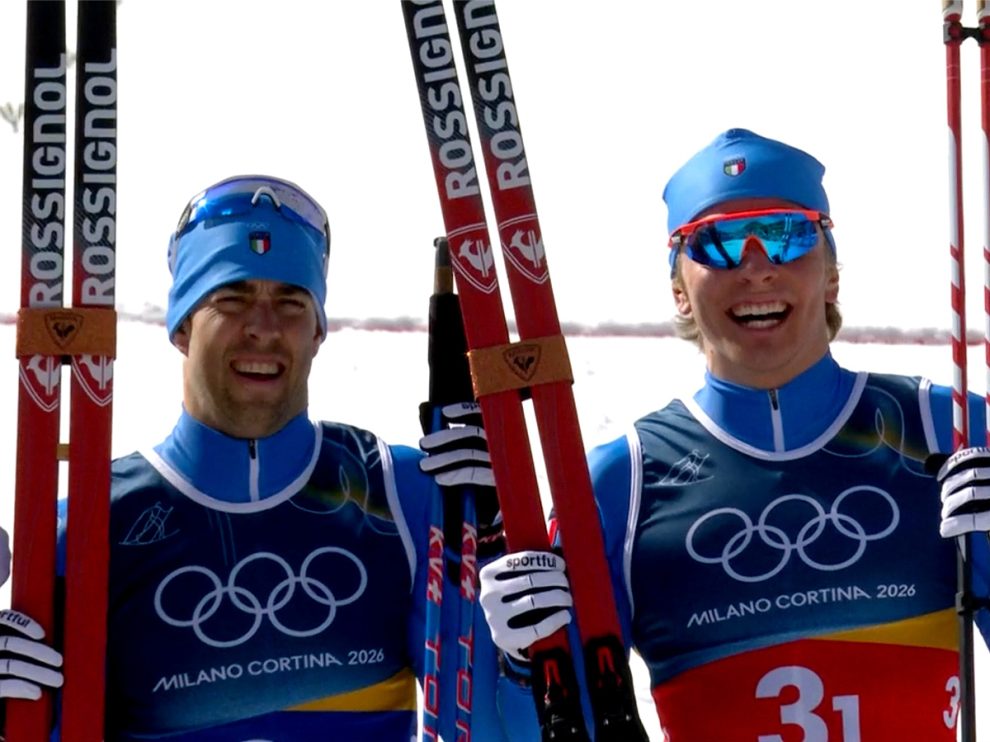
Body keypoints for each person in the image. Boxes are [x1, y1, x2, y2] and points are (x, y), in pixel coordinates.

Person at [471, 129, 990, 739]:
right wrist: (520, 660)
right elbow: (553, 726)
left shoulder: (947, 428)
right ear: (679, 291)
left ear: (831, 276)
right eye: (715, 244)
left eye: (787, 234)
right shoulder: (622, 481)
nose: (756, 270)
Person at [0, 175, 509, 740]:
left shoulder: (398, 492)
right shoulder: (92, 526)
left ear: (317, 332)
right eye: (232, 297)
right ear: (182, 328)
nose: (264, 328)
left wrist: (518, 630)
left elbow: (492, 725)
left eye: (290, 302)